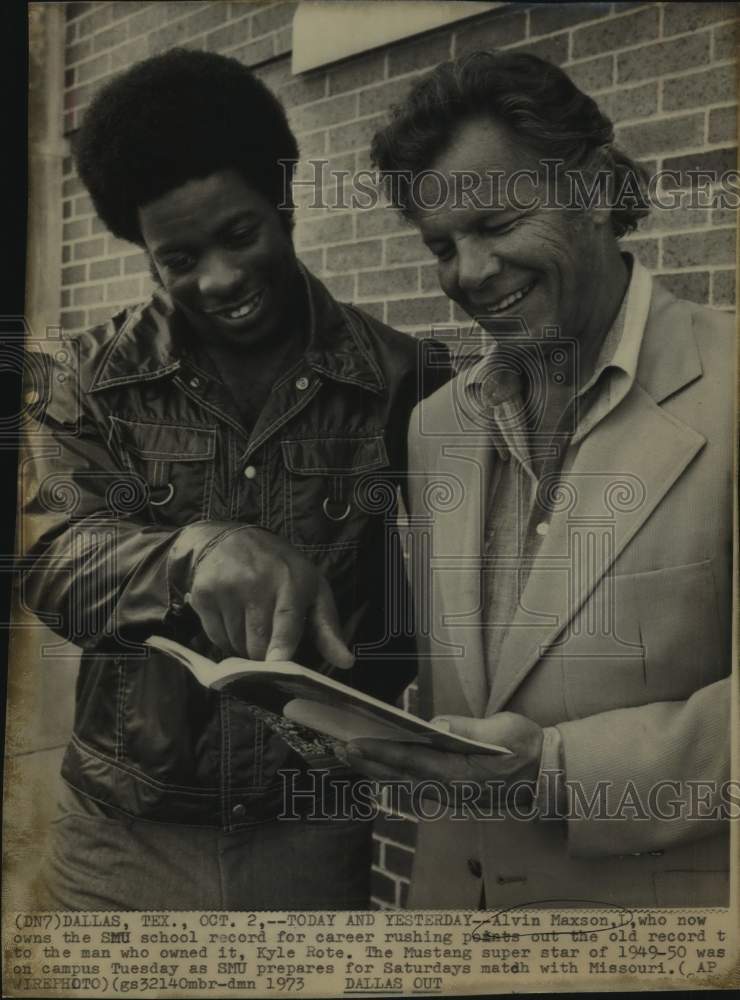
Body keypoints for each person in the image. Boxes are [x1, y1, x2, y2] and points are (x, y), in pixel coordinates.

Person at [22, 48, 449, 911]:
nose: (218, 279)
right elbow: (52, 555)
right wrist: (191, 553)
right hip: (120, 838)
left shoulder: (407, 379)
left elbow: (440, 598)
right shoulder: (81, 375)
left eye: (240, 235)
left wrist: (367, 709)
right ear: (144, 254)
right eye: (178, 259)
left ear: (285, 203)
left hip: (314, 829)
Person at [346, 51, 734, 908]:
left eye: (499, 223)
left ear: (595, 189)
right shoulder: (434, 425)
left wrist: (557, 772)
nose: (470, 274)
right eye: (442, 246)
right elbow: (464, 689)